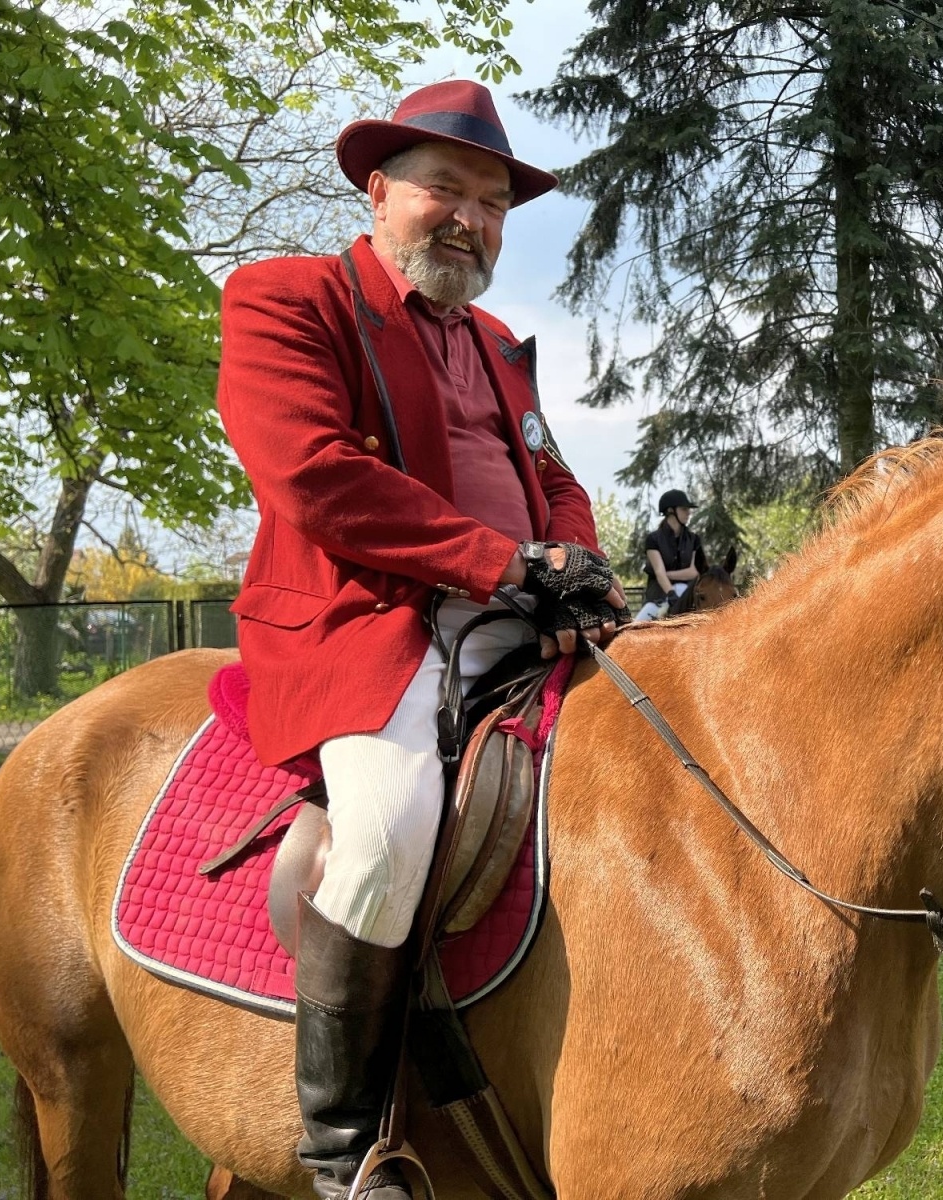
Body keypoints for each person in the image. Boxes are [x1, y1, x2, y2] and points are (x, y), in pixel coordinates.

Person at [216, 80, 626, 1200]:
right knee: (392, 827)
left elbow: (552, 476)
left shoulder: (496, 341)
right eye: (446, 190)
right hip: (365, 627)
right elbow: (315, 475)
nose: (471, 220)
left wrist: (574, 565)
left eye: (493, 204)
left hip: (519, 624)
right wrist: (505, 564)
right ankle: (345, 1147)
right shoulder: (283, 297)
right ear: (379, 188)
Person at [635, 489, 701, 621]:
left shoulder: (694, 539)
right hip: (659, 597)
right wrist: (671, 593)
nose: (688, 513)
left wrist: (667, 574)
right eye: (684, 509)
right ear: (671, 511)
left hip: (686, 597)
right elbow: (659, 572)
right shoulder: (653, 539)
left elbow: (694, 572)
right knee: (635, 628)